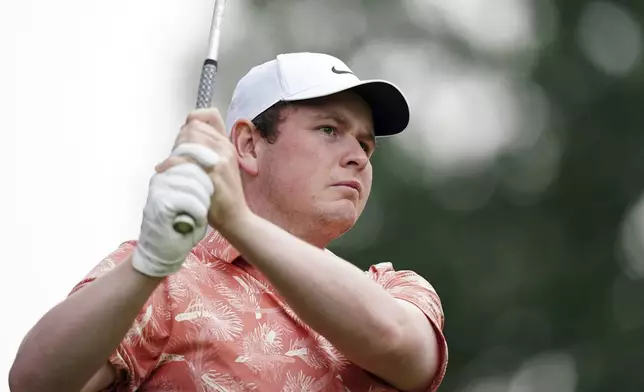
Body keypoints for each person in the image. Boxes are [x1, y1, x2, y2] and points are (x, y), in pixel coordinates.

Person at [9, 52, 448, 392]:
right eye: (329, 129)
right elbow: (35, 381)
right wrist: (147, 263)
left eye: (366, 146)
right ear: (248, 145)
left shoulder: (393, 290)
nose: (357, 156)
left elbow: (398, 343)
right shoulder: (161, 277)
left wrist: (236, 218)